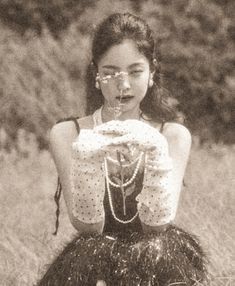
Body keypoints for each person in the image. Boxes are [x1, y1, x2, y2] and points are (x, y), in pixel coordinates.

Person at [37, 12, 208, 286]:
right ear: (96, 75)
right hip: (92, 259)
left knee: (159, 252)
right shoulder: (67, 133)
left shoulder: (173, 136)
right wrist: (88, 157)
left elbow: (156, 226)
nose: (123, 84)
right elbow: (88, 227)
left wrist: (153, 150)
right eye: (110, 73)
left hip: (158, 254)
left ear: (151, 72)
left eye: (135, 71)